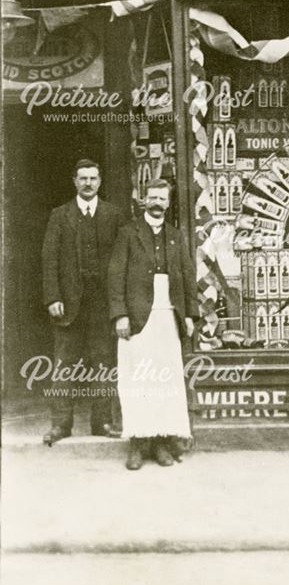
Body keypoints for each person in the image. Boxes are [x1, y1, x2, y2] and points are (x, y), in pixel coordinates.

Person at [108, 179, 199, 471]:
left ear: (168, 202)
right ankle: (137, 444)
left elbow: (186, 276)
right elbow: (115, 275)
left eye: (162, 198)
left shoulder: (176, 235)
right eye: (152, 197)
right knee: (137, 380)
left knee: (165, 381)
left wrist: (188, 315)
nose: (157, 202)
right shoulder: (128, 233)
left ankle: (161, 443)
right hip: (136, 318)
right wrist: (120, 314)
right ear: (144, 200)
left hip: (168, 317)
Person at [42, 158, 125, 445]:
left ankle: (102, 422)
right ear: (74, 182)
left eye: (93, 178)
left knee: (103, 363)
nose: (88, 183)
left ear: (100, 182)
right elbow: (49, 259)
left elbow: (122, 261)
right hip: (68, 304)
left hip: (102, 304)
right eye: (83, 178)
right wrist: (52, 296)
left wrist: (119, 305)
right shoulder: (60, 215)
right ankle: (61, 425)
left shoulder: (114, 215)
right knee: (64, 364)